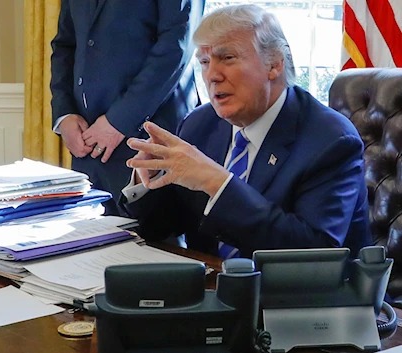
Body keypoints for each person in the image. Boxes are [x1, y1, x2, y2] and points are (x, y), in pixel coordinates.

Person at [121, 4, 371, 258]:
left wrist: (217, 183)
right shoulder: (198, 124)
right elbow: (164, 227)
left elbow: (313, 252)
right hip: (213, 286)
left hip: (300, 294)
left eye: (227, 58)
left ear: (274, 64)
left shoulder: (331, 140)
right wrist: (146, 182)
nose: (212, 76)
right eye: (205, 62)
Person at [50, 0, 204, 216]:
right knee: (91, 241)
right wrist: (64, 114)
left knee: (156, 241)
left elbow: (177, 45)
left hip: (150, 136)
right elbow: (65, 44)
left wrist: (119, 121)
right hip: (86, 140)